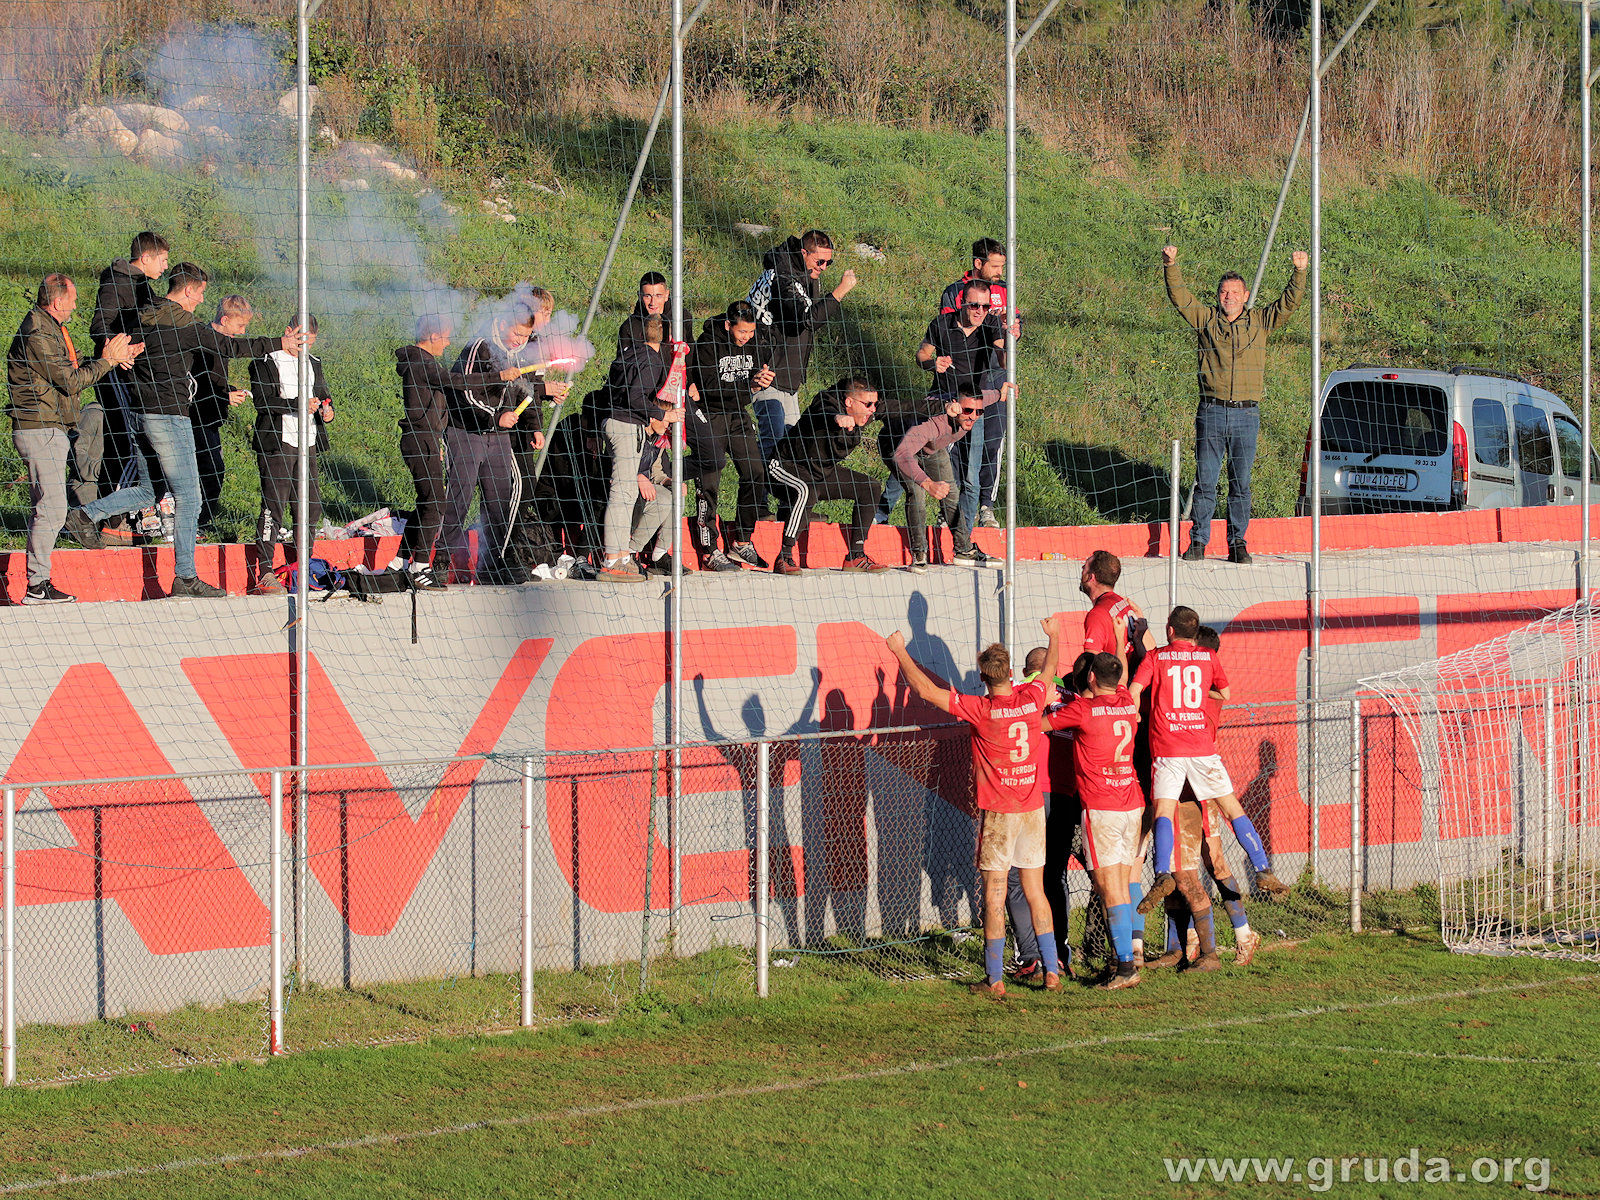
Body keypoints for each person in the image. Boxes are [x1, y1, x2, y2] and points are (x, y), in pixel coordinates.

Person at [74, 263, 297, 599]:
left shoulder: (143, 316)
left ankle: (84, 515)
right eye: (201, 292)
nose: (202, 299)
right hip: (168, 417)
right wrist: (280, 342)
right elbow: (230, 347)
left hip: (139, 413)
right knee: (190, 498)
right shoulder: (183, 324)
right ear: (189, 290)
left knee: (149, 490)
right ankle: (186, 577)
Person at [886, 617, 1063, 995]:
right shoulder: (1032, 698)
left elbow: (926, 690)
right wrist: (1055, 636)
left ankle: (995, 979)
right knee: (1036, 892)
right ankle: (1051, 972)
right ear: (1012, 674)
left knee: (995, 895)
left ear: (983, 679)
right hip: (1032, 809)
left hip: (999, 814)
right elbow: (1049, 669)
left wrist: (899, 651)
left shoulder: (981, 709)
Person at [1129, 605, 1290, 918]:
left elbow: (1135, 690)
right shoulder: (1208, 657)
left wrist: (1136, 713)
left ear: (1170, 630)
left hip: (1168, 749)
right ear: (1194, 632)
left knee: (1163, 810)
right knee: (1232, 807)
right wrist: (1203, 694)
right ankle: (1262, 868)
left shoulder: (1156, 658)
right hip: (1202, 748)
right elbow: (1225, 693)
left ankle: (1162, 873)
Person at [1163, 244, 1307, 564]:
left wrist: (1299, 272)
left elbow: (1288, 303)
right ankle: (1198, 541)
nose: (1229, 297)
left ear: (1245, 296)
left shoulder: (1261, 321)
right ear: (1218, 296)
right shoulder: (1205, 320)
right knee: (1206, 481)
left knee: (1240, 483)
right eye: (1224, 292)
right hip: (1211, 412)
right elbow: (1180, 297)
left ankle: (1237, 542)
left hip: (1246, 415)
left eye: (1235, 292)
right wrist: (1170, 265)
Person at [5, 274, 141, 603]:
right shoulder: (38, 332)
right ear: (57, 301)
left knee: (49, 506)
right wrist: (108, 360)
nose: (76, 305)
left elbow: (75, 368)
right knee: (51, 508)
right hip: (39, 427)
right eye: (73, 299)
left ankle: (39, 582)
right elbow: (70, 381)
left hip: (51, 426)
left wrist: (112, 357)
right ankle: (37, 585)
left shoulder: (53, 328)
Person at [394, 314, 523, 589]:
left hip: (429, 439)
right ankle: (420, 566)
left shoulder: (424, 362)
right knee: (435, 504)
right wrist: (498, 376)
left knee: (428, 502)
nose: (448, 343)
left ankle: (400, 560)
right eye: (445, 337)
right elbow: (455, 381)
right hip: (420, 440)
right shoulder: (420, 362)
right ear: (433, 336)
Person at [1045, 651, 1146, 989]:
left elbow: (1040, 725)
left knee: (1109, 888)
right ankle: (1124, 960)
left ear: (1090, 678)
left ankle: (1125, 967)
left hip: (1103, 808)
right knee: (1121, 885)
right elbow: (1123, 675)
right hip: (1131, 803)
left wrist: (1044, 700)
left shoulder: (1082, 710)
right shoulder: (1126, 701)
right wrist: (1118, 636)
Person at [443, 303, 544, 584]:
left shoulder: (522, 353)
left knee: (498, 500)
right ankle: (439, 561)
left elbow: (527, 390)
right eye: (516, 333)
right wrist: (494, 417)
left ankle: (491, 565)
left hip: (499, 436)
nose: (520, 341)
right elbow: (463, 391)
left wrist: (534, 426)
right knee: (459, 498)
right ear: (501, 325)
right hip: (467, 431)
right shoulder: (480, 347)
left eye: (525, 336)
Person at [83, 230, 168, 543]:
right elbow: (99, 327)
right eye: (163, 260)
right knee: (130, 444)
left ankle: (114, 519)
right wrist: (121, 351)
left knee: (123, 444)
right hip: (116, 373)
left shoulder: (142, 286)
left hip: (133, 374)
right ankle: (109, 521)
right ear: (145, 257)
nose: (165, 266)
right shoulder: (116, 283)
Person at [922, 268, 1017, 533]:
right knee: (941, 458)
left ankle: (971, 522)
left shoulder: (991, 324)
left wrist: (1008, 338)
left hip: (975, 404)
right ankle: (945, 513)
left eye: (985, 306)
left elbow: (1003, 361)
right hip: (946, 401)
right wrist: (932, 364)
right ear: (962, 303)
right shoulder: (942, 324)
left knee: (975, 468)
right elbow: (922, 355)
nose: (980, 311)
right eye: (975, 305)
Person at [748, 231, 857, 456]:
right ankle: (752, 477)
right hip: (767, 369)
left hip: (786, 371)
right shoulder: (783, 278)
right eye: (820, 261)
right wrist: (839, 293)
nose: (824, 267)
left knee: (789, 445)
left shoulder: (802, 273)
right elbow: (806, 319)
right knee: (772, 442)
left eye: (828, 262)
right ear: (804, 252)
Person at [766, 378, 889, 575]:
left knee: (870, 486)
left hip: (820, 473)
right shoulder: (825, 402)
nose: (872, 410)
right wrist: (837, 417)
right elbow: (823, 411)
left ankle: (855, 556)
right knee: (807, 490)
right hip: (784, 467)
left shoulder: (864, 413)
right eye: (868, 404)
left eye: (875, 404)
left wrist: (939, 408)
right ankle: (784, 556)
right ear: (849, 402)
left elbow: (902, 407)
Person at [248, 315, 332, 595]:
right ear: (288, 331)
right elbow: (262, 402)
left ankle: (302, 565)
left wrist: (327, 410)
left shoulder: (313, 362)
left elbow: (323, 394)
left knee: (310, 506)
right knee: (274, 506)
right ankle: (265, 571)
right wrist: (297, 404)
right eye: (300, 341)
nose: (304, 348)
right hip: (278, 441)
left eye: (310, 343)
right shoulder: (265, 361)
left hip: (308, 442)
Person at [686, 299, 773, 571]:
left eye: (751, 332)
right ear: (728, 325)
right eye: (741, 332)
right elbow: (709, 387)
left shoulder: (754, 343)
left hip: (736, 414)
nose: (746, 337)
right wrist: (749, 387)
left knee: (755, 471)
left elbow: (756, 374)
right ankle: (709, 550)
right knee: (710, 480)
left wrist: (761, 380)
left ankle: (742, 541)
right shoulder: (708, 344)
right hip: (710, 415)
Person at [890, 385, 1003, 572]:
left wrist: (1002, 393)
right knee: (917, 491)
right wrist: (927, 483)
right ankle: (919, 554)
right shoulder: (931, 423)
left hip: (931, 448)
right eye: (967, 411)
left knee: (951, 493)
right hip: (899, 445)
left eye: (978, 412)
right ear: (955, 406)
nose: (973, 417)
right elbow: (902, 454)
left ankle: (964, 550)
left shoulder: (971, 407)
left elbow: (987, 397)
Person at [599, 314, 674, 582]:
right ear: (667, 337)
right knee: (622, 494)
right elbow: (635, 396)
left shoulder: (628, 354)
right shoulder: (651, 359)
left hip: (615, 422)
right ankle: (612, 559)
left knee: (627, 492)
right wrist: (662, 414)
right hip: (625, 425)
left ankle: (622, 555)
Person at [190, 295, 254, 532]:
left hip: (211, 417)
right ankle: (198, 522)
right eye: (240, 325)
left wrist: (229, 390)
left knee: (212, 470)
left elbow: (213, 381)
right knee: (211, 470)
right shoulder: (204, 343)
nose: (242, 332)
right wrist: (224, 397)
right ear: (225, 320)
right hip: (196, 417)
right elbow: (194, 385)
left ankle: (200, 521)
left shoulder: (221, 343)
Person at [1079, 550, 1153, 685]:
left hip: (1119, 687)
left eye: (1084, 567)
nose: (1081, 570)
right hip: (1137, 679)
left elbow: (1091, 667)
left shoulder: (1097, 615)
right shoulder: (1123, 602)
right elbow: (1151, 650)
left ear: (1091, 577)